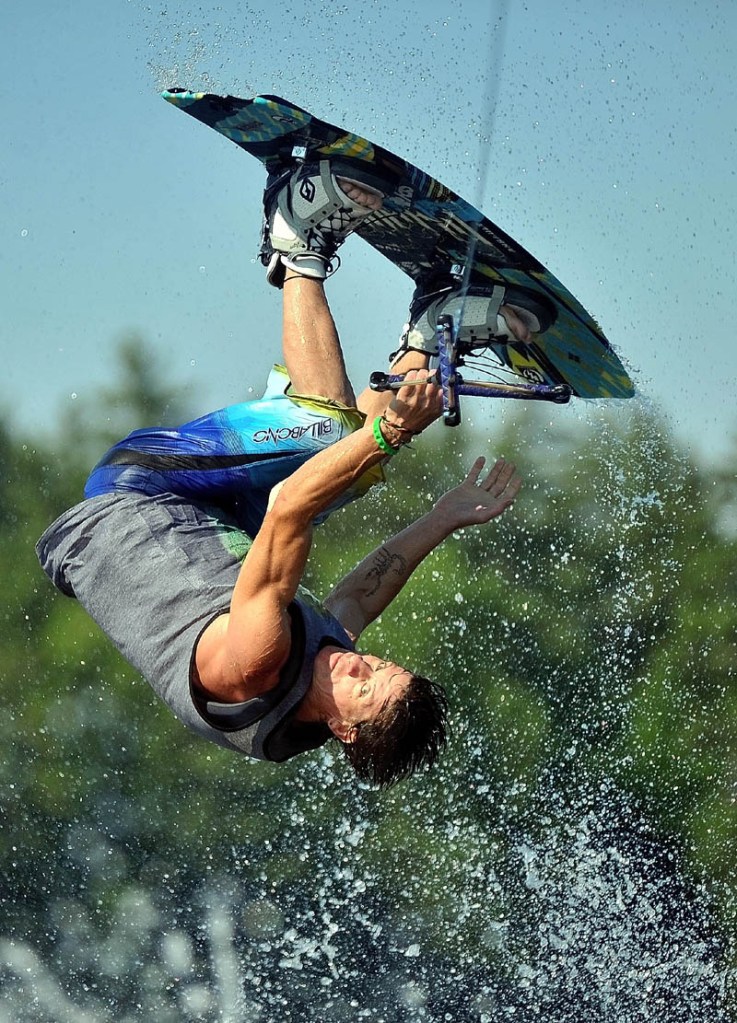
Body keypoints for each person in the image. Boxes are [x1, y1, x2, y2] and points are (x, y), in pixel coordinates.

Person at [37, 161, 526, 787]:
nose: (362, 666)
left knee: (334, 436)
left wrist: (393, 431)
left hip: (136, 496)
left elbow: (291, 506)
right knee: (352, 466)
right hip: (208, 515)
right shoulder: (324, 677)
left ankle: (294, 238)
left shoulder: (256, 667)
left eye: (366, 687)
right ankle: (431, 331)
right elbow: (356, 598)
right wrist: (442, 517)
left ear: (343, 730)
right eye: (381, 666)